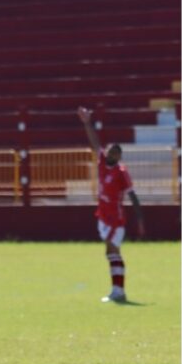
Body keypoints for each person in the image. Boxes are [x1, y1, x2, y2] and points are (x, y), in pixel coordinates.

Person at [77, 107, 145, 303]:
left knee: (112, 251)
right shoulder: (101, 162)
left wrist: (140, 220)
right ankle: (117, 290)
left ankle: (118, 291)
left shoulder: (121, 172)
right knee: (110, 253)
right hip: (103, 215)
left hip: (116, 218)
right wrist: (87, 122)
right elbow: (94, 142)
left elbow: (133, 196)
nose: (113, 155)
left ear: (119, 157)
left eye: (117, 153)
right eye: (112, 151)